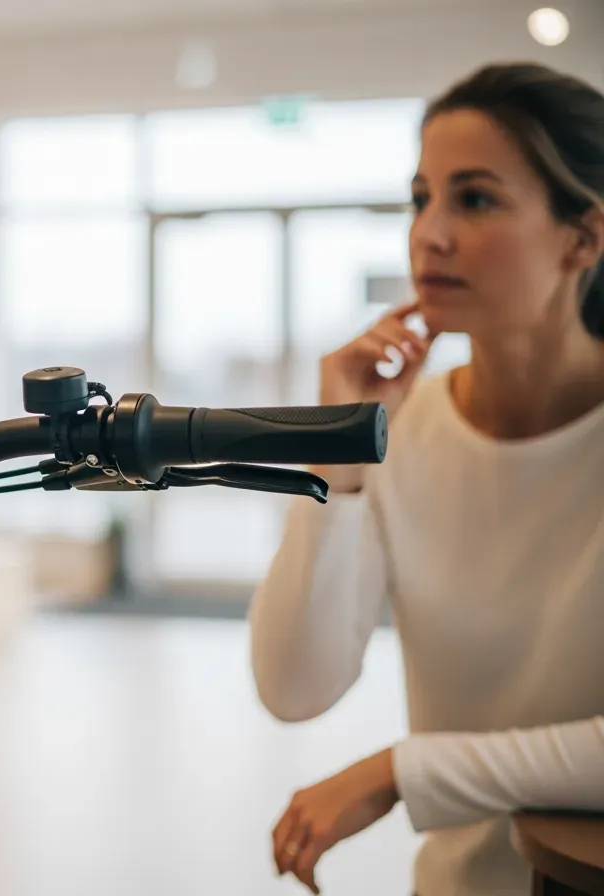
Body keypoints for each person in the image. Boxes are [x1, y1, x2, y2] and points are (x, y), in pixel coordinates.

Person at [249, 61, 604, 896]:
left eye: (474, 199)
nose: (430, 235)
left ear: (583, 237)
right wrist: (341, 452)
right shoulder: (405, 427)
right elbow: (295, 687)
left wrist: (402, 772)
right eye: (421, 199)